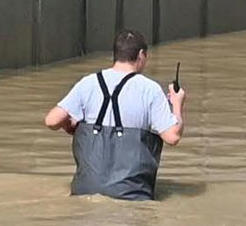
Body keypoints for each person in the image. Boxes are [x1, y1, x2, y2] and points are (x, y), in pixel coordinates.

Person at [45, 34, 183, 200]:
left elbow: (51, 121)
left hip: (86, 190)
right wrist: (177, 104)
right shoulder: (150, 89)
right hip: (132, 195)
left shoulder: (88, 83)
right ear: (141, 55)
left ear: (116, 54)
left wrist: (69, 125)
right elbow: (172, 136)